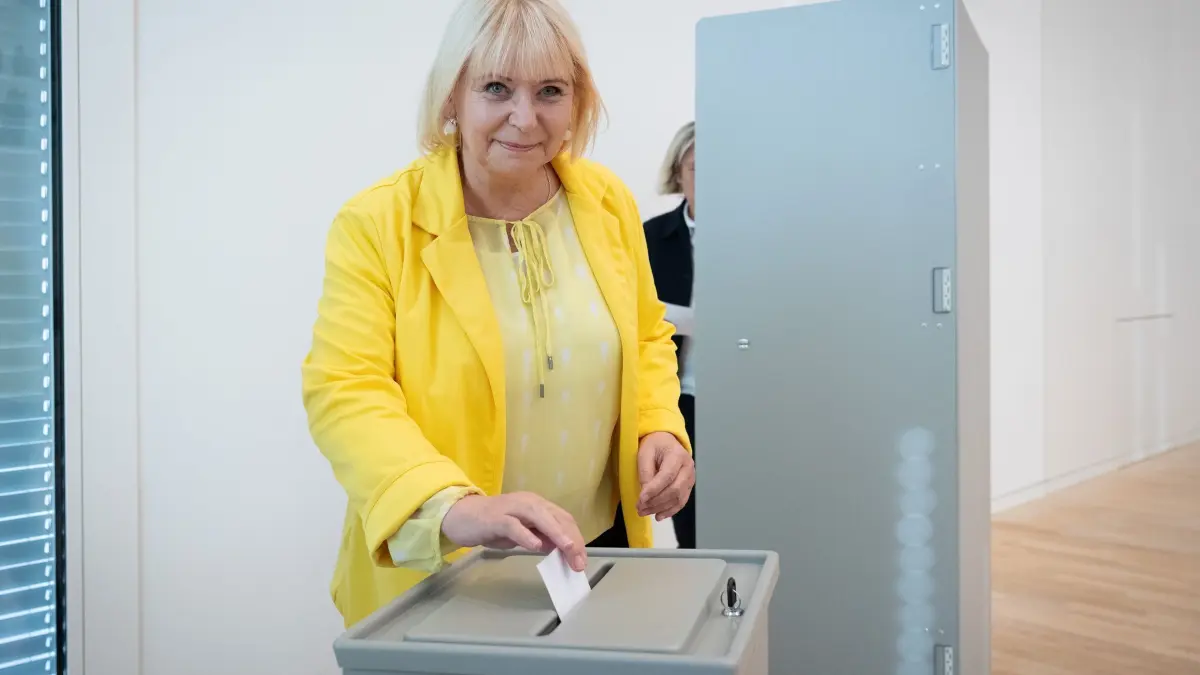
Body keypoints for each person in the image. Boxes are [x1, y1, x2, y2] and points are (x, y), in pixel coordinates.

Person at [301, 0, 694, 628]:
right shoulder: (377, 224)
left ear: (577, 101)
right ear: (452, 95)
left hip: (593, 557)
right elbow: (346, 389)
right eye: (496, 88)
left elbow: (647, 335)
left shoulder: (607, 202)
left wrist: (660, 428)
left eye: (549, 91)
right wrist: (454, 506)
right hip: (445, 565)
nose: (525, 117)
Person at [642, 121, 697, 549]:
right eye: (698, 169)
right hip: (679, 402)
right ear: (679, 173)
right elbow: (635, 318)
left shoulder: (758, 236)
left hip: (746, 398)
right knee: (692, 525)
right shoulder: (651, 236)